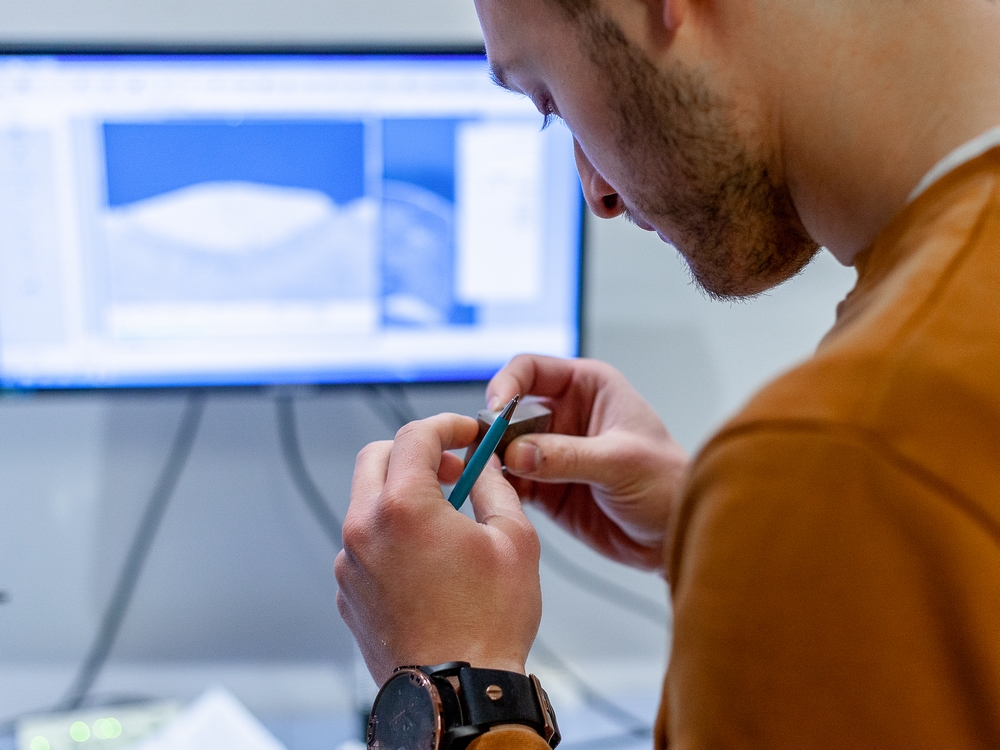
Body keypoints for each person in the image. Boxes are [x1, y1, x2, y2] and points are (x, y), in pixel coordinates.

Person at [335, 0, 1000, 746]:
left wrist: (457, 684)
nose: (598, 193)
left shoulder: (844, 455)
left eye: (549, 99)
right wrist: (717, 533)